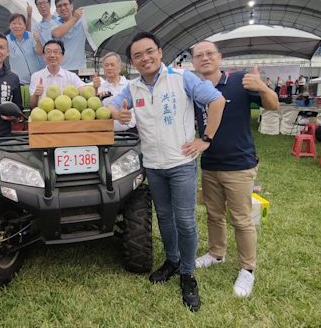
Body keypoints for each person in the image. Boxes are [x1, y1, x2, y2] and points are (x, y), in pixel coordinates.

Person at [108, 32, 225, 312]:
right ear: (133, 62)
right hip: (153, 165)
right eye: (138, 55)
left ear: (160, 52)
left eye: (149, 52)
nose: (145, 58)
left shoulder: (181, 77)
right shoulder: (133, 89)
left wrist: (205, 139)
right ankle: (172, 260)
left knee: (185, 220)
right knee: (164, 217)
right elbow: (109, 106)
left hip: (181, 163)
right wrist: (117, 114)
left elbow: (216, 101)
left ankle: (187, 273)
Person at [191, 41, 279, 298]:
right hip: (209, 163)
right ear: (193, 62)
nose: (205, 58)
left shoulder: (240, 81)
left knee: (241, 219)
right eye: (199, 56)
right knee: (213, 214)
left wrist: (262, 86)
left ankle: (247, 269)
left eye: (209, 54)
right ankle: (216, 253)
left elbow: (273, 105)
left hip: (239, 164)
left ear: (220, 57)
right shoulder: (194, 88)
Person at [29, 40, 86, 108]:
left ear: (62, 56)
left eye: (56, 52)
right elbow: (32, 106)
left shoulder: (71, 76)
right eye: (48, 52)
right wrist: (36, 94)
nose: (52, 55)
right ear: (43, 56)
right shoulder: (36, 76)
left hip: (67, 116)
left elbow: (84, 92)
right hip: (43, 115)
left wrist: (95, 88)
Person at [96, 52, 136, 131]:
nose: (109, 68)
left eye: (112, 65)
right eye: (106, 65)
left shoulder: (130, 85)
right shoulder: (99, 89)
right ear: (103, 68)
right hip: (108, 133)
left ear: (119, 67)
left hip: (131, 132)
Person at [51, 0, 87, 74]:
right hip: (61, 69)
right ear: (57, 10)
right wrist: (75, 18)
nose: (63, 8)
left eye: (65, 4)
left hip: (81, 69)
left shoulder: (83, 21)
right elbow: (57, 33)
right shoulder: (53, 22)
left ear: (71, 6)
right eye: (59, 6)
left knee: (84, 86)